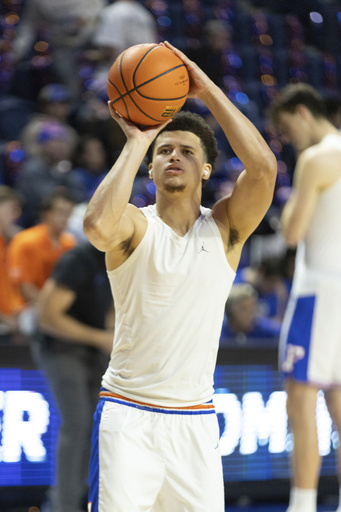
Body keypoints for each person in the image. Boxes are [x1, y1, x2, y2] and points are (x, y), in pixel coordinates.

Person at [83, 41, 277, 511]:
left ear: (206, 169)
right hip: (128, 416)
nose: (174, 156)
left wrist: (203, 86)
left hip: (195, 420)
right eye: (164, 149)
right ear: (150, 168)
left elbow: (265, 168)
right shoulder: (134, 223)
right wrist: (136, 142)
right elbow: (95, 227)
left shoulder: (227, 228)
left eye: (187, 151)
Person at [269, 82, 341, 512]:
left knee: (300, 397)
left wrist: (289, 203)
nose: (287, 139)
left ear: (301, 113)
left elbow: (293, 234)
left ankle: (303, 505)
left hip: (320, 289)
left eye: (285, 129)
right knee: (338, 398)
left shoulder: (315, 158)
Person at [36, 241, 114, 512]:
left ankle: (79, 498)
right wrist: (101, 337)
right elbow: (46, 317)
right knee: (77, 423)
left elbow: (111, 311)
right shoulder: (78, 260)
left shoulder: (118, 258)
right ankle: (63, 506)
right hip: (61, 347)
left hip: (92, 348)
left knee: (98, 424)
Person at [7, 189, 76, 336]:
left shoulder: (70, 244)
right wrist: (51, 309)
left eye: (69, 213)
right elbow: (24, 287)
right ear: (46, 213)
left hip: (59, 306)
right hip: (27, 308)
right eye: (61, 212)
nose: (65, 218)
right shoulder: (24, 241)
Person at [91, 0, 158, 83]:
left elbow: (109, 51)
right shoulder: (143, 13)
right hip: (142, 78)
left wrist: (84, 56)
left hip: (113, 79)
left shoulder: (113, 12)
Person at [220, 282, 281, 347]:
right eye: (244, 309)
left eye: (252, 308)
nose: (250, 314)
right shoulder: (217, 333)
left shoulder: (266, 330)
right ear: (231, 311)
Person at [0, 186, 23, 342]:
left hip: (12, 320)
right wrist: (6, 318)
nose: (15, 215)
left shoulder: (11, 240)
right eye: (11, 210)